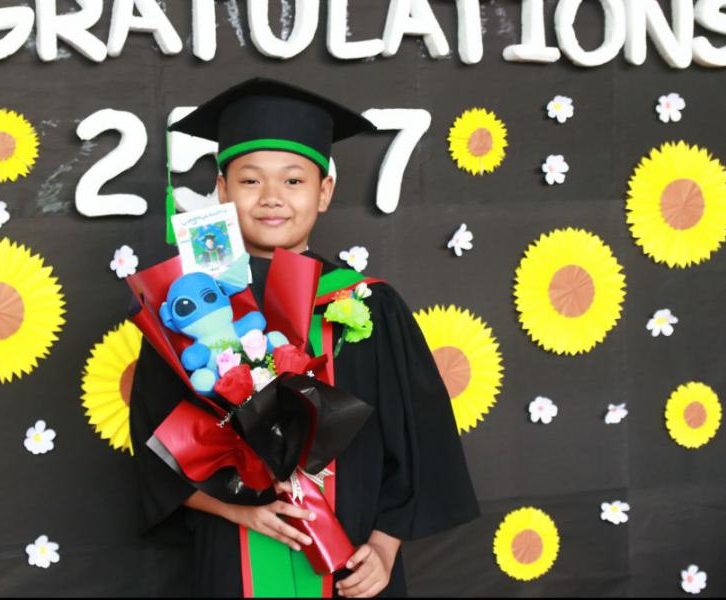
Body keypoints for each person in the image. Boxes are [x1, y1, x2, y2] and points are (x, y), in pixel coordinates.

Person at [129, 77, 480, 598]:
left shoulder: (367, 303)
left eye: (293, 180)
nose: (272, 198)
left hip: (352, 559)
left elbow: (419, 437)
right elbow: (155, 445)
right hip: (235, 556)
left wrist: (385, 546)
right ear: (222, 191)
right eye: (250, 181)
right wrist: (237, 512)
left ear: (324, 191)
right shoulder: (187, 310)